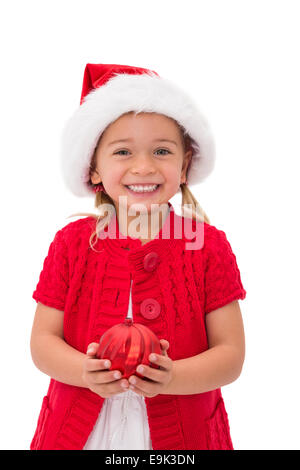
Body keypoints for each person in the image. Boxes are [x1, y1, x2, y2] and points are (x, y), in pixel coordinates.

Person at [30, 63, 247, 450]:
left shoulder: (207, 245)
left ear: (184, 166)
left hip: (181, 435)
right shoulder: (71, 244)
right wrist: (84, 371)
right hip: (80, 432)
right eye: (123, 151)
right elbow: (43, 341)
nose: (143, 167)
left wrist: (172, 377)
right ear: (94, 168)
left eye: (162, 151)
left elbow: (230, 354)